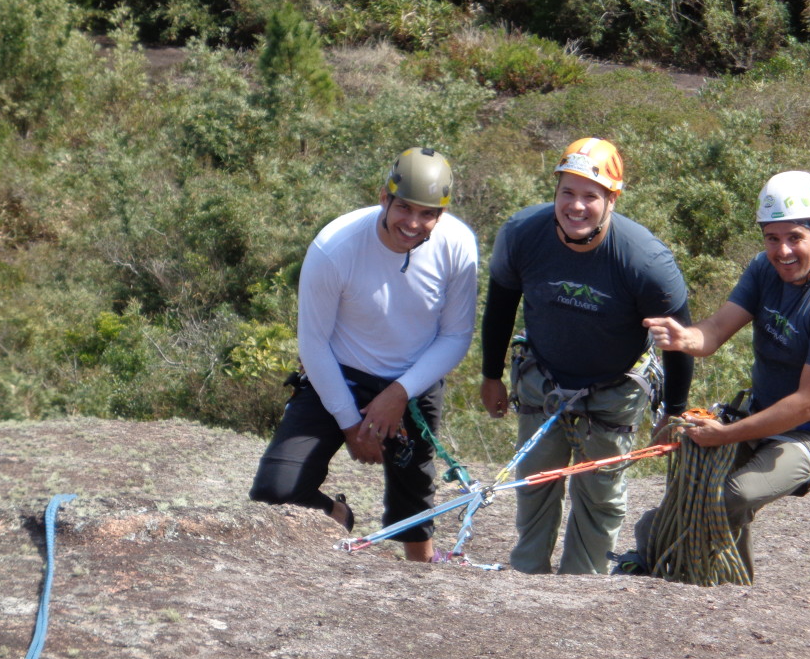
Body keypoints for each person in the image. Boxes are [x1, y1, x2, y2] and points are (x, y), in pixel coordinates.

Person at [643, 170, 810, 580]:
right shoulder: (764, 271)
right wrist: (687, 338)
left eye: (795, 238)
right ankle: (663, 556)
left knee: (737, 493)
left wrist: (725, 435)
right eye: (772, 238)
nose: (783, 251)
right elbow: (716, 331)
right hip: (764, 411)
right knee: (690, 481)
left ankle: (726, 583)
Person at [249, 147, 478, 562]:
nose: (412, 223)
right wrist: (352, 424)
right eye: (403, 207)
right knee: (275, 491)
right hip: (337, 373)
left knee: (413, 498)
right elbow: (313, 343)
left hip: (413, 377)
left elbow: (457, 335)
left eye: (427, 213)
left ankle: (422, 575)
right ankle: (337, 515)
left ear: (441, 214)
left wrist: (398, 394)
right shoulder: (335, 247)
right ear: (383, 198)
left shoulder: (457, 246)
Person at [480, 137, 695, 575]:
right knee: (536, 484)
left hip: (612, 391)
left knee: (598, 497)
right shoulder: (523, 234)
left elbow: (678, 340)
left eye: (590, 196)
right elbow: (501, 304)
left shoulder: (644, 260)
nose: (576, 207)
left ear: (611, 199)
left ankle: (583, 585)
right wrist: (491, 374)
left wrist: (673, 412)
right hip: (545, 379)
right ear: (555, 190)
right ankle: (526, 578)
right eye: (567, 192)